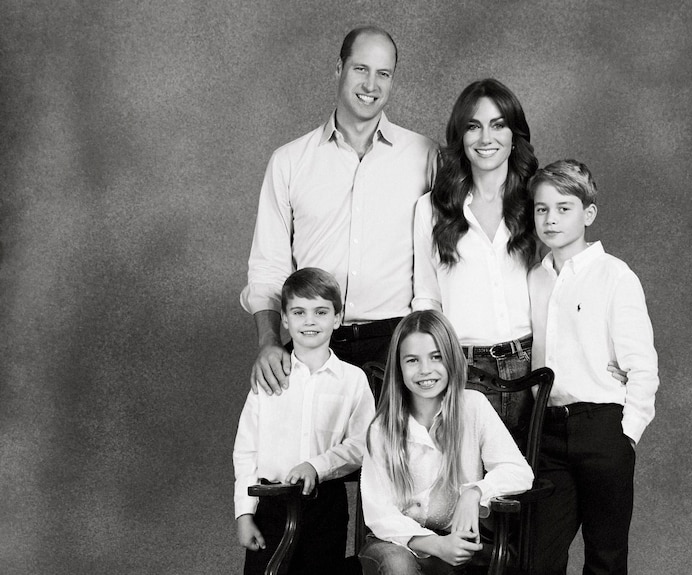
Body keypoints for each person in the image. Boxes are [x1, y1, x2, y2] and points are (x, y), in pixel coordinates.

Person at [412, 79, 625, 440]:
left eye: (498, 125)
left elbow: (571, 279)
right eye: (473, 126)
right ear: (460, 136)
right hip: (462, 368)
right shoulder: (431, 209)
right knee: (467, 488)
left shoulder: (536, 203)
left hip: (534, 364)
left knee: (530, 485)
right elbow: (427, 298)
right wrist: (427, 366)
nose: (485, 138)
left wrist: (605, 351)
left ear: (514, 135)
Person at [241, 26, 437, 395]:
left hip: (395, 346)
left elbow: (448, 254)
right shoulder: (289, 162)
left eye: (384, 73)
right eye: (361, 69)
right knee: (308, 454)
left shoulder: (425, 157)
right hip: (314, 342)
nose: (371, 85)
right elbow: (268, 266)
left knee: (392, 454)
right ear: (338, 69)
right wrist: (268, 342)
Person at [527, 160, 660, 575]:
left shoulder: (614, 275)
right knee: (537, 558)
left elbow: (642, 364)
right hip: (546, 430)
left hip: (602, 427)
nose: (550, 219)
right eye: (541, 208)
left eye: (563, 208)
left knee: (605, 556)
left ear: (588, 214)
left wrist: (627, 434)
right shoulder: (534, 277)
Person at [358, 310, 534, 575]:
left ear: (451, 359)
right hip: (395, 542)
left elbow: (519, 472)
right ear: (399, 367)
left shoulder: (472, 406)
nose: (425, 370)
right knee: (398, 564)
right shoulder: (383, 427)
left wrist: (474, 492)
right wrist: (434, 545)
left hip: (453, 541)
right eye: (412, 360)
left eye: (436, 357)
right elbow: (379, 512)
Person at [233, 267, 376, 575]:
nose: (309, 321)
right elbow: (246, 451)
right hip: (270, 505)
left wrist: (318, 466)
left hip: (325, 506)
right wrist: (244, 514)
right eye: (299, 312)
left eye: (321, 312)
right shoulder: (269, 376)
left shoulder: (352, 380)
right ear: (284, 319)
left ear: (337, 318)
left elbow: (363, 444)